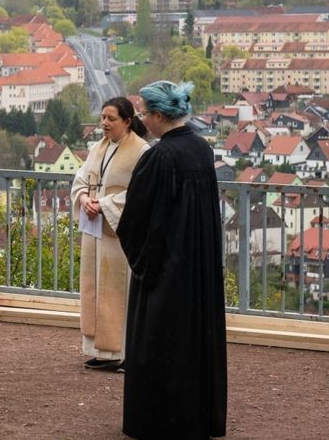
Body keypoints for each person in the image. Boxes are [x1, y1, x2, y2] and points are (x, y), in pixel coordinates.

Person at [116, 81, 227, 439]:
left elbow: (137, 218)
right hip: (198, 266)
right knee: (195, 340)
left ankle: (159, 420)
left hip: (166, 268)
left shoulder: (161, 156)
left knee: (158, 341)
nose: (143, 119)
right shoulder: (201, 149)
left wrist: (144, 262)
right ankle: (197, 416)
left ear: (159, 115)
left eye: (145, 113)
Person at [69, 96, 148, 372]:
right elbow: (81, 179)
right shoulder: (97, 148)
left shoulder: (141, 151)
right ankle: (101, 351)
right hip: (95, 231)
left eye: (111, 118)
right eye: (103, 117)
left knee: (118, 292)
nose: (104, 123)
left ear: (127, 121)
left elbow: (140, 194)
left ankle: (124, 353)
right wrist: (82, 200)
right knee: (95, 289)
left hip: (119, 235)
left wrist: (103, 205)